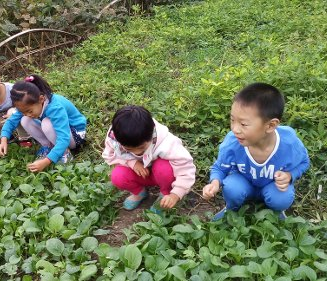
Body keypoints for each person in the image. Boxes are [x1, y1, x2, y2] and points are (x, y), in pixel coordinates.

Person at [202, 83, 310, 220]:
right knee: (231, 188)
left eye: (243, 124)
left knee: (282, 197)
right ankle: (231, 209)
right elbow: (220, 167)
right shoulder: (232, 142)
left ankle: (277, 212)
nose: (235, 129)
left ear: (270, 125)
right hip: (242, 182)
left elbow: (304, 162)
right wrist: (215, 182)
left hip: (272, 186)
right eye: (232, 120)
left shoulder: (289, 143)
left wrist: (290, 175)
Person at [102, 105, 196, 212]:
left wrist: (176, 194)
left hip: (162, 175)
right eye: (129, 149)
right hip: (140, 175)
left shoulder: (167, 142)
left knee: (164, 168)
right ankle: (140, 192)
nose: (137, 152)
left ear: (151, 134)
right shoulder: (114, 138)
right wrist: (132, 162)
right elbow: (109, 156)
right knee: (118, 176)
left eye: (141, 148)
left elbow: (186, 168)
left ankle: (165, 194)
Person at [0, 74, 87, 172]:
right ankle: (48, 147)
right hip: (63, 133)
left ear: (41, 99)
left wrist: (46, 161)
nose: (27, 114)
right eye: (23, 112)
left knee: (46, 123)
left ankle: (64, 154)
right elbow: (11, 121)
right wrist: (4, 139)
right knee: (25, 120)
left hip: (75, 135)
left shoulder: (55, 108)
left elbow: (64, 138)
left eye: (30, 111)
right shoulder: (27, 105)